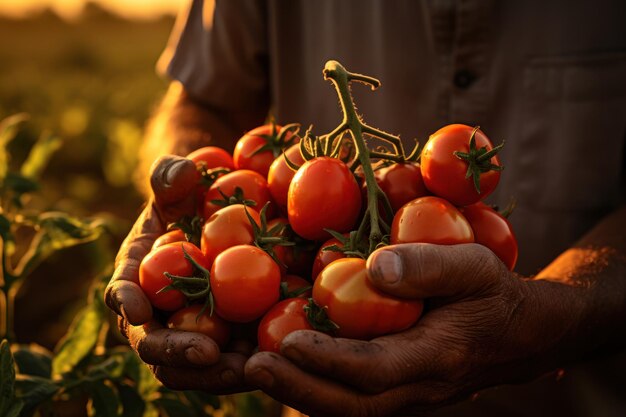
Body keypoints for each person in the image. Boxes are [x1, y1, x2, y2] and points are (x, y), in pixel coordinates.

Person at [105, 1, 626, 416]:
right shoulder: (343, 221)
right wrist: (185, 190)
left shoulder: (359, 220)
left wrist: (562, 310)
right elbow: (205, 99)